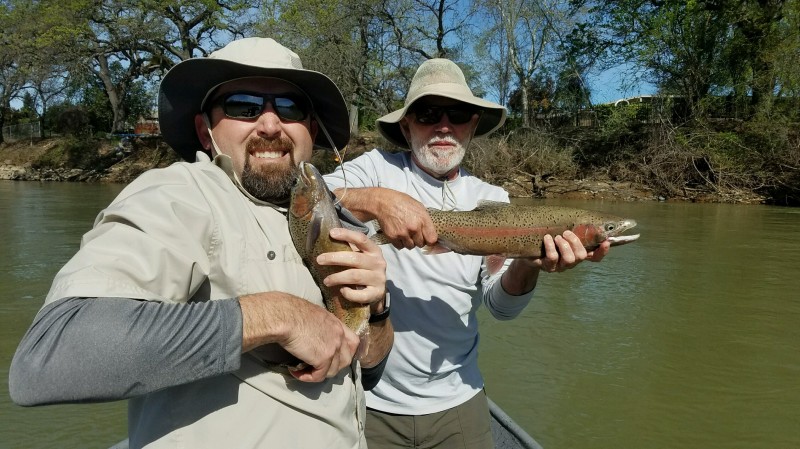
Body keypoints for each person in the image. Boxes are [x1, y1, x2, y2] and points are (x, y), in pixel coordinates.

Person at [9, 37, 393, 449]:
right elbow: (47, 359)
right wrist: (278, 316)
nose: (269, 124)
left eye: (290, 108)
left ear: (310, 129)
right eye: (243, 105)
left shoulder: (326, 210)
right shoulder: (178, 195)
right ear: (204, 131)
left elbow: (366, 373)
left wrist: (375, 313)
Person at [323, 58, 611, 448]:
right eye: (428, 114)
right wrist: (376, 199)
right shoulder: (375, 169)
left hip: (458, 400)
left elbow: (502, 308)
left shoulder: (493, 199)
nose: (444, 125)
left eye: (457, 114)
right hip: (366, 398)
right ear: (407, 125)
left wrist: (530, 261)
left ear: (473, 124)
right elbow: (305, 199)